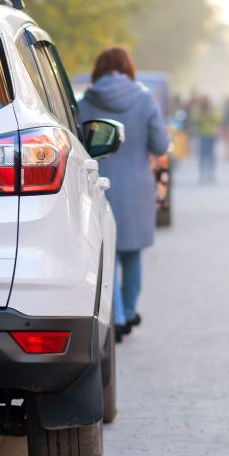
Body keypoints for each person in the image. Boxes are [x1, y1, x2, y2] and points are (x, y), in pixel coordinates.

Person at [78, 47, 169, 341]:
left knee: (108, 254)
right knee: (132, 253)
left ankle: (114, 317)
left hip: (99, 184)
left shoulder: (85, 102)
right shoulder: (144, 99)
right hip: (138, 187)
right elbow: (160, 143)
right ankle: (129, 312)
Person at [193, 96, 221, 184]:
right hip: (202, 135)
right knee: (202, 155)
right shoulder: (198, 110)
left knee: (211, 155)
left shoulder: (213, 109)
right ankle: (202, 174)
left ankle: (211, 174)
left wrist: (210, 115)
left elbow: (218, 118)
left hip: (212, 134)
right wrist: (203, 116)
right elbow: (195, 119)